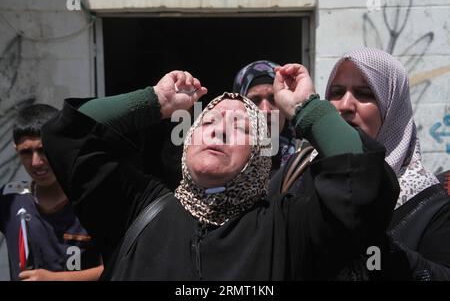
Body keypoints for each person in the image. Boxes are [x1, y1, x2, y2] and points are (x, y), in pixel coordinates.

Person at [41, 67, 399, 280]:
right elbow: (68, 135)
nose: (219, 129)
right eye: (208, 121)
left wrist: (307, 109)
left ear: (261, 154)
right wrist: (154, 101)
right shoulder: (137, 210)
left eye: (240, 127)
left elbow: (362, 180)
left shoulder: (289, 226)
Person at [324, 47, 450, 280]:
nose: (345, 105)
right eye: (337, 92)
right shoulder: (304, 179)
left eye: (364, 94)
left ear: (392, 109)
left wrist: (385, 251)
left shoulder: (431, 207)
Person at [0, 104, 103, 281]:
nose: (36, 162)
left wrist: (57, 279)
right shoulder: (10, 199)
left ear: (61, 145)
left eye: (42, 149)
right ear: (16, 150)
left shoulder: (93, 200)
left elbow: (119, 265)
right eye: (26, 152)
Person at [233, 60, 299, 174]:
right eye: (254, 101)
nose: (265, 110)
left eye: (273, 99)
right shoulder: (223, 158)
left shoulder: (305, 159)